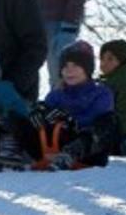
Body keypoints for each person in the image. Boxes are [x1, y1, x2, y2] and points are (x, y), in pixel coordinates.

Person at [28, 40, 118, 170]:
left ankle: (71, 153)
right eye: (65, 66)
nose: (69, 70)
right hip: (54, 146)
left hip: (88, 152)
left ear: (87, 69)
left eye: (75, 65)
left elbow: (96, 117)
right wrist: (39, 112)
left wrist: (70, 120)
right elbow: (44, 117)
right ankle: (11, 153)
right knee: (21, 114)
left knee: (109, 120)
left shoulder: (101, 93)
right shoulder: (55, 95)